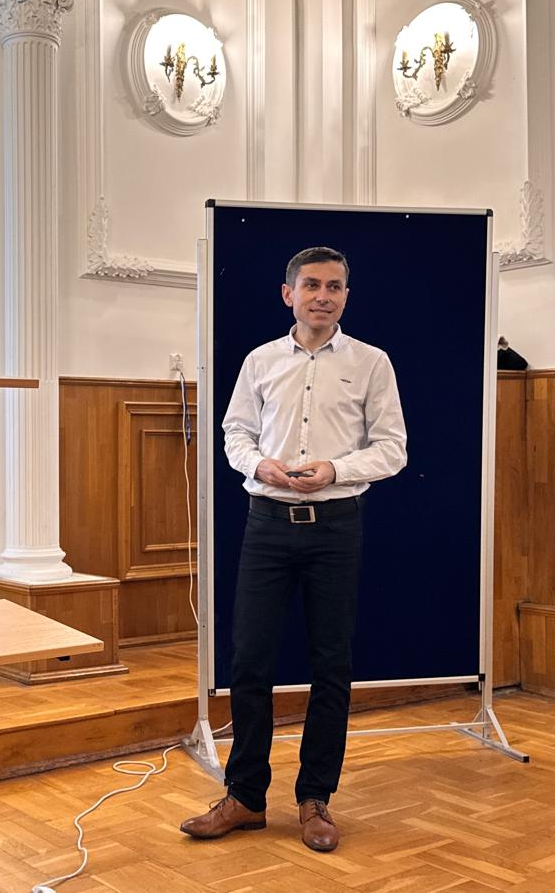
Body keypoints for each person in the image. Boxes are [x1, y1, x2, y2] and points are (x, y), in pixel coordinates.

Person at [180, 245, 407, 853]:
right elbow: (234, 432)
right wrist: (259, 464)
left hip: (336, 527)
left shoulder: (372, 362)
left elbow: (392, 448)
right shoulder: (260, 361)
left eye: (334, 287)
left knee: (331, 664)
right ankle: (245, 798)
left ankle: (315, 799)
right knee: (250, 662)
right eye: (311, 285)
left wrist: (335, 469)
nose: (322, 296)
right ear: (289, 294)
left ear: (346, 297)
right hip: (267, 524)